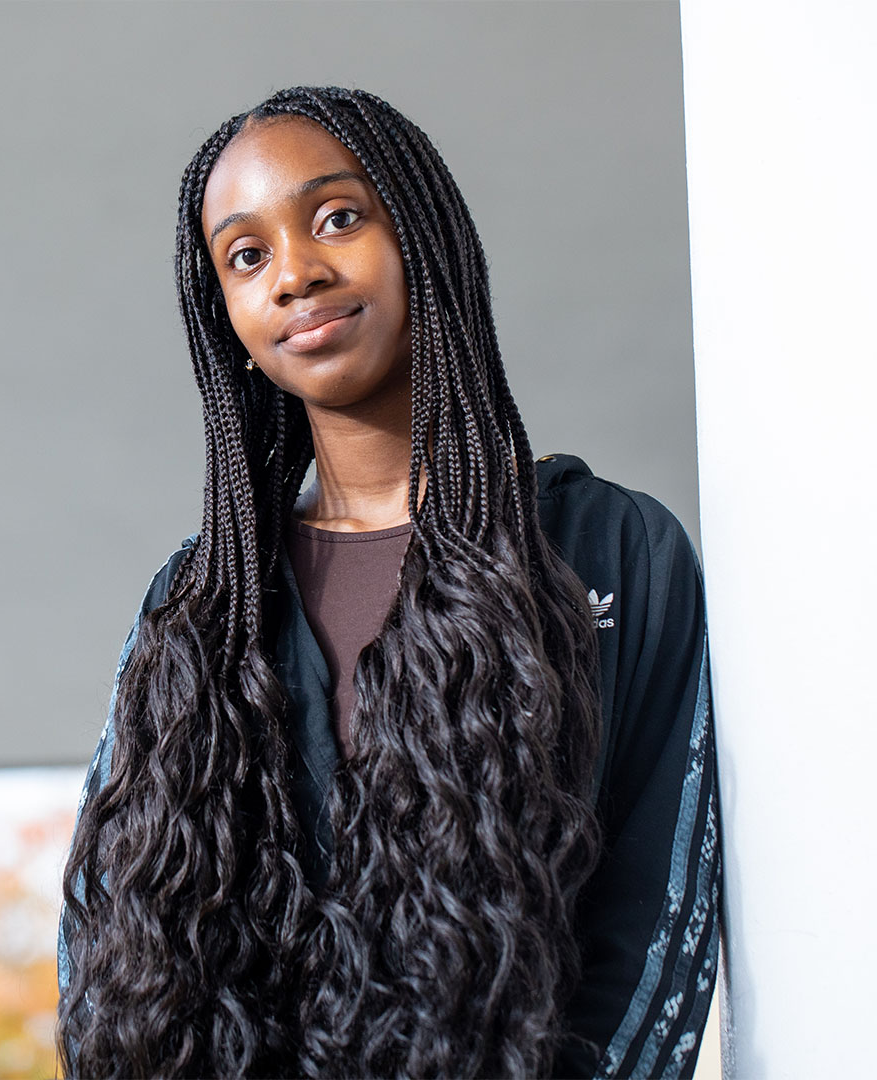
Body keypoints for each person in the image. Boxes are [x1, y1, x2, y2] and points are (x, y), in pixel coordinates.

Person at [57, 86, 720, 1080]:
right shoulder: (196, 605)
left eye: (337, 218)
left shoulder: (610, 551)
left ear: (423, 235)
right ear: (226, 316)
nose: (296, 273)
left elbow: (655, 927)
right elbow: (106, 939)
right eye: (247, 255)